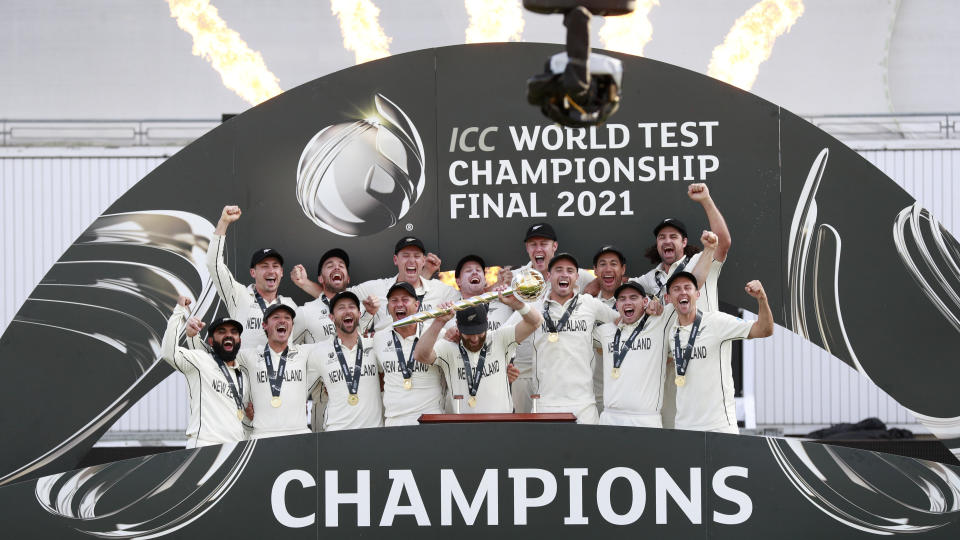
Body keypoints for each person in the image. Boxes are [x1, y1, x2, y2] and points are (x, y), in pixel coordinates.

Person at [498, 223, 595, 414]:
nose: (538, 249)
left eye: (544, 243)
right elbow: (495, 297)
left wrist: (592, 290)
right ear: (527, 248)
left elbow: (600, 282)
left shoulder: (573, 272)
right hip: (523, 368)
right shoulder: (517, 277)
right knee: (527, 432)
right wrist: (499, 284)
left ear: (554, 246)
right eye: (533, 244)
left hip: (559, 370)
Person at [664, 270, 773, 434]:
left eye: (688, 287)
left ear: (697, 294)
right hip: (684, 427)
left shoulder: (716, 321)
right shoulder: (672, 331)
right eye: (676, 289)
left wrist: (762, 299)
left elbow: (764, 330)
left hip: (719, 426)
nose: (683, 292)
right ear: (668, 298)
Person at [414, 293, 539, 414]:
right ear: (458, 325)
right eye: (468, 333)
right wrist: (438, 322)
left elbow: (536, 322)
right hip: (461, 427)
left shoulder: (500, 338)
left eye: (479, 332)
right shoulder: (449, 346)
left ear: (486, 321)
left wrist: (517, 304)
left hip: (500, 425)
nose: (474, 339)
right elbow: (420, 355)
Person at [529, 253, 618, 424]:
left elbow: (620, 321)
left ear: (576, 277)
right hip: (544, 404)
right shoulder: (535, 307)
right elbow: (506, 334)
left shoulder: (589, 303)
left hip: (583, 404)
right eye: (558, 270)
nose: (564, 274)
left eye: (570, 271)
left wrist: (649, 308)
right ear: (549, 276)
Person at [161, 296, 249, 448]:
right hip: (204, 445)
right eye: (221, 331)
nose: (228, 335)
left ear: (239, 340)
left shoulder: (242, 377)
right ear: (211, 341)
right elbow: (169, 353)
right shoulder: (200, 360)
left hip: (234, 449)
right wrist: (179, 312)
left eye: (234, 332)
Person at [206, 205, 298, 350]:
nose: (271, 271)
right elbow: (214, 264)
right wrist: (223, 222)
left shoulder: (290, 305)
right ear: (253, 272)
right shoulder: (238, 295)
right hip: (245, 372)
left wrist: (305, 284)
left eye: (275, 266)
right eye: (264, 266)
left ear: (281, 272)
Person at [592, 281, 675, 427]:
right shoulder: (605, 331)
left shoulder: (659, 323)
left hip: (646, 419)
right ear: (616, 305)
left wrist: (658, 305)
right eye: (622, 299)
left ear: (645, 301)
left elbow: (688, 291)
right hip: (610, 418)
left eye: (633, 297)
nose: (627, 302)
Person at [235, 303, 321, 439]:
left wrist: (366, 316)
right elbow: (216, 357)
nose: (282, 321)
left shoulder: (305, 353)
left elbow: (338, 344)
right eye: (276, 317)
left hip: (299, 435)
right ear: (264, 325)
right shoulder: (249, 356)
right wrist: (193, 336)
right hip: (261, 436)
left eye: (287, 318)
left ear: (292, 326)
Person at [373, 282, 446, 426]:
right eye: (394, 300)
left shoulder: (438, 335)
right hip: (394, 422)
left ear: (417, 305)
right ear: (388, 306)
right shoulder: (379, 339)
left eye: (405, 299)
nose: (399, 304)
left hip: (430, 421)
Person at [352, 236, 460, 331]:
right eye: (406, 255)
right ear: (395, 260)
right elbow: (340, 297)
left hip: (427, 353)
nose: (411, 260)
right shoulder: (377, 288)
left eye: (417, 256)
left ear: (423, 260)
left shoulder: (439, 289)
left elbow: (468, 299)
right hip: (387, 351)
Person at [310, 291, 384, 430]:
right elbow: (298, 389)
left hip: (373, 432)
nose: (347, 311)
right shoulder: (319, 352)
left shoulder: (375, 345)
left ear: (359, 314)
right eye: (341, 308)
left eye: (352, 307)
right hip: (336, 432)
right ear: (331, 317)